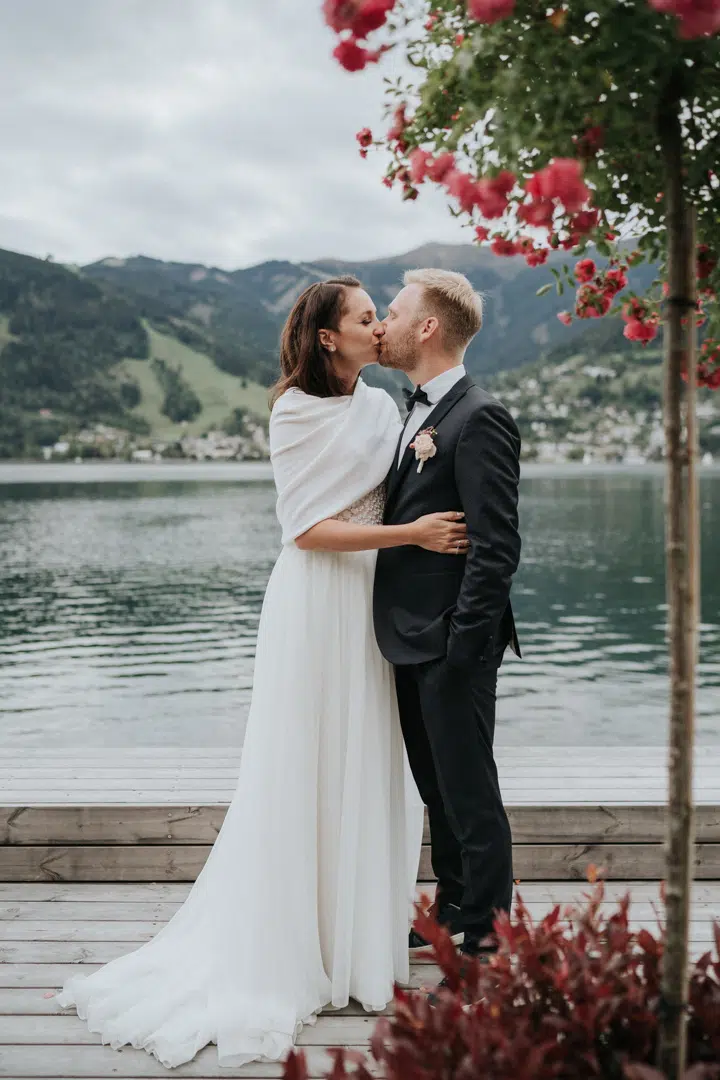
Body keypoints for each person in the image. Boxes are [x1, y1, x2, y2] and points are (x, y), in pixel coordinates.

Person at [54, 275, 469, 1068]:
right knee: (304, 767)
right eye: (363, 317)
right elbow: (307, 531)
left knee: (366, 767)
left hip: (369, 611)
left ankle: (355, 946)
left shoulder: (384, 408)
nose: (378, 326)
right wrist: (412, 533)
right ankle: (293, 944)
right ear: (327, 337)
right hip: (315, 606)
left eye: (381, 315)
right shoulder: (292, 411)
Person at [373, 268, 522, 984]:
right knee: (438, 790)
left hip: (451, 644)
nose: (384, 325)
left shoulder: (478, 415)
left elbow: (497, 548)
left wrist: (464, 646)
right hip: (411, 639)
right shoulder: (419, 412)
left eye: (395, 312)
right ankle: (456, 908)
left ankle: (490, 933)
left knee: (469, 791)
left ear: (427, 327)